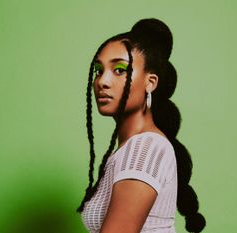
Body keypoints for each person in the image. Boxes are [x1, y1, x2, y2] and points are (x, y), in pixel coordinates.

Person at [76, 18, 206, 233]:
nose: (102, 81)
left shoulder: (144, 149)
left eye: (119, 70)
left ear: (150, 82)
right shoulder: (132, 148)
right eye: (99, 70)